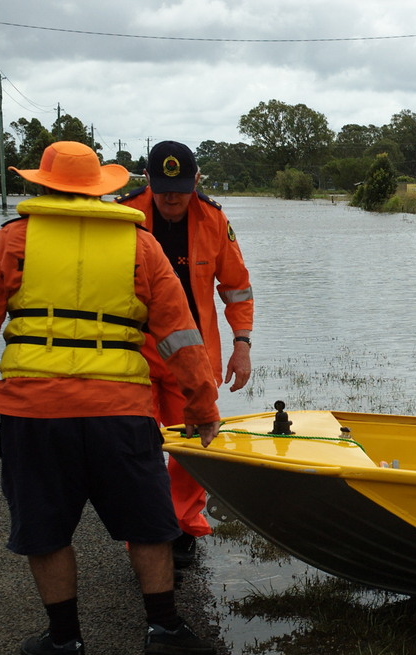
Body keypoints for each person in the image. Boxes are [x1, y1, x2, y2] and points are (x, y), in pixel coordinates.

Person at [0, 141, 222, 655]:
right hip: (120, 410)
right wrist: (202, 405)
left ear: (41, 185)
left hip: (34, 412)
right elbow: (179, 333)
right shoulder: (139, 245)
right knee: (147, 521)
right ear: (102, 188)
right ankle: (164, 626)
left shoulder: (12, 241)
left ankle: (65, 640)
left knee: (45, 527)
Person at [118, 141, 254, 567]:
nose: (171, 197)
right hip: (131, 351)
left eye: (179, 187)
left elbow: (236, 288)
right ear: (147, 181)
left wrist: (242, 344)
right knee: (135, 444)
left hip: (190, 354)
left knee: (194, 441)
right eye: (162, 188)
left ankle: (181, 525)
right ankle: (146, 530)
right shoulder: (123, 217)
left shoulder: (214, 219)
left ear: (196, 180)